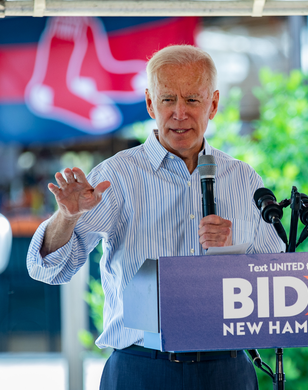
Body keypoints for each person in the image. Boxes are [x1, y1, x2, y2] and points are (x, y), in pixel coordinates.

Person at [26, 45, 284, 390]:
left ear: (214, 103)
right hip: (141, 368)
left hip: (226, 367)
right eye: (167, 100)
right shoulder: (116, 176)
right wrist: (66, 217)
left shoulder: (244, 178)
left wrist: (233, 252)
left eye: (193, 100)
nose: (179, 113)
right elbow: (48, 269)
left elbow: (277, 278)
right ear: (150, 103)